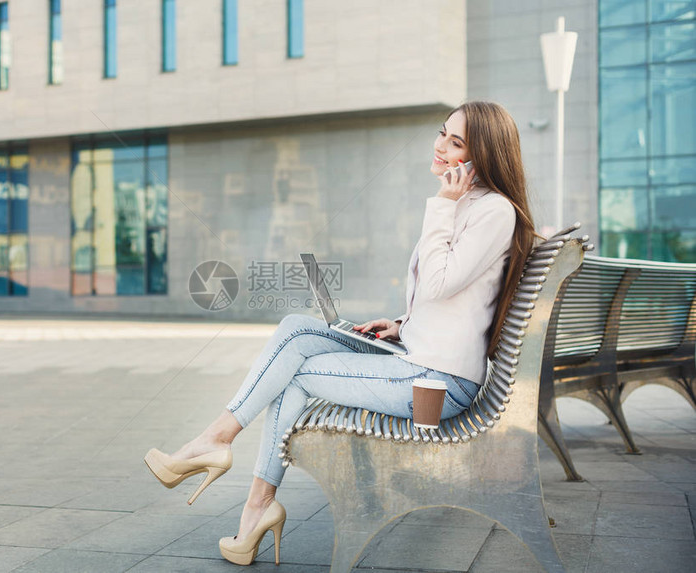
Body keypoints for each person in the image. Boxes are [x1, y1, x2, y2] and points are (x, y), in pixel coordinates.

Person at [144, 100, 536, 566]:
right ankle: (224, 452)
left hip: (439, 383)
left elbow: (438, 282)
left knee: (300, 373)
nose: (440, 146)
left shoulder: (491, 210)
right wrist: (401, 324)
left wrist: (442, 208)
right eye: (442, 133)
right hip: (419, 355)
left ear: (483, 157)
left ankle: (242, 486)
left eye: (456, 142)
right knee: (297, 330)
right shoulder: (467, 205)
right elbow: (453, 297)